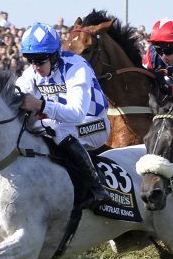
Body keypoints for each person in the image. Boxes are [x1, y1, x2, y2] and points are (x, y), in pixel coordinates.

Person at [15, 22, 111, 209]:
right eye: (30, 60)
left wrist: (41, 105)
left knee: (57, 129)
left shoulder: (77, 67)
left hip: (94, 123)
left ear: (54, 55)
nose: (35, 67)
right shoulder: (32, 72)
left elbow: (76, 113)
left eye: (40, 60)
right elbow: (17, 95)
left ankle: (96, 188)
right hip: (62, 122)